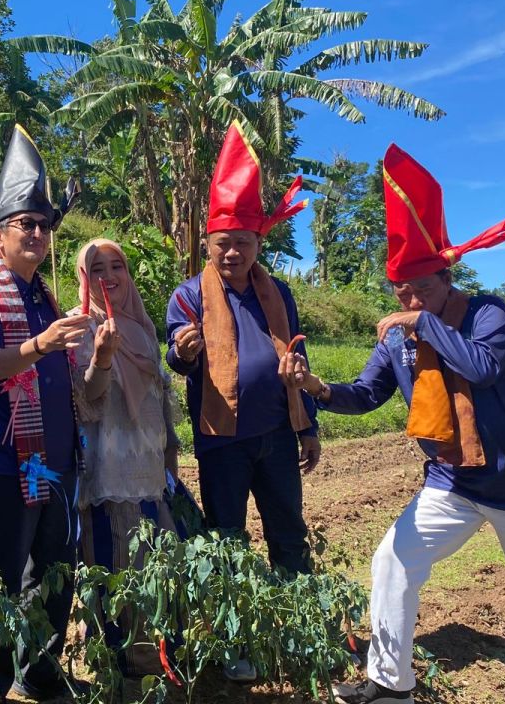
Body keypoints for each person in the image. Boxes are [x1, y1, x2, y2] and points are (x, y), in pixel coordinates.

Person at [282, 145, 505, 704]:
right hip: (454, 481)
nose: (411, 300)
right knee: (393, 559)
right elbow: (366, 394)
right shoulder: (398, 335)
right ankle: (391, 685)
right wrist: (315, 388)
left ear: (449, 276)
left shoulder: (489, 313)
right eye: (402, 290)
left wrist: (420, 322)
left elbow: (482, 368)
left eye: (424, 288)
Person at [164, 121, 317, 682]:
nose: (232, 252)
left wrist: (309, 427)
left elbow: (299, 361)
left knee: (287, 532)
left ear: (258, 244)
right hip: (221, 440)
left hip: (277, 435)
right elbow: (176, 359)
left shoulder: (279, 293)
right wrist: (184, 350)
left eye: (243, 242)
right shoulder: (187, 294)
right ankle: (237, 641)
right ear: (207, 244)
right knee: (227, 538)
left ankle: (297, 633)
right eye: (223, 243)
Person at [0, 125, 87, 702]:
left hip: (57, 461)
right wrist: (43, 345)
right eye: (24, 224)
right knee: (4, 574)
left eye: (43, 224)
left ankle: (40, 670)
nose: (37, 233)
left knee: (55, 572)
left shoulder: (42, 292)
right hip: (15, 463)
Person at [70, 238, 179, 675]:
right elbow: (86, 399)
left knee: (155, 558)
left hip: (148, 466)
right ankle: (116, 657)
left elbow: (160, 395)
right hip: (108, 469)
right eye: (97, 268)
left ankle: (155, 652)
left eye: (117, 266)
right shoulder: (78, 327)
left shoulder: (141, 325)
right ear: (83, 277)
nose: (109, 277)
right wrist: (101, 357)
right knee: (114, 559)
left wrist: (170, 453)